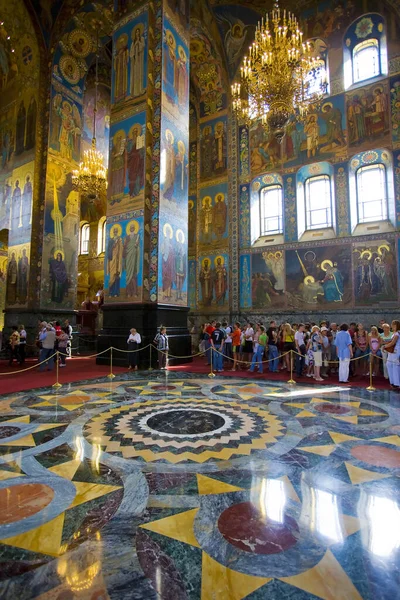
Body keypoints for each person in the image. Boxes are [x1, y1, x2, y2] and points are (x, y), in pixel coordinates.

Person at [382, 320, 400, 390]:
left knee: (395, 366)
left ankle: (397, 383)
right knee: (389, 364)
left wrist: (384, 346)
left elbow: (393, 342)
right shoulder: (394, 333)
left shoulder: (398, 333)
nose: (392, 326)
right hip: (391, 351)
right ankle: (392, 381)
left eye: (394, 325)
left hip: (396, 351)